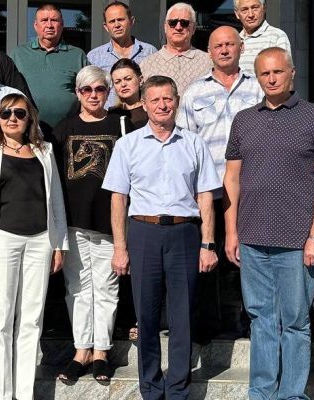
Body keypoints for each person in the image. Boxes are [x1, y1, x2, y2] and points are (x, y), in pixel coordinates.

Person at [223, 47, 314, 400]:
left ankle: (291, 395)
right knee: (260, 320)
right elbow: (232, 179)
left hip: (297, 241)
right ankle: (260, 393)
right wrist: (231, 231)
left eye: (277, 72)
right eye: (264, 73)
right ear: (257, 77)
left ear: (292, 73)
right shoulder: (244, 120)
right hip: (252, 238)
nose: (271, 79)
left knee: (294, 322)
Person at [102, 75, 220, 400]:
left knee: (182, 315)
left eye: (167, 98)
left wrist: (208, 243)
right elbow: (118, 199)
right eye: (155, 100)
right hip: (143, 233)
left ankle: (179, 389)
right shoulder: (128, 145)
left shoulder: (194, 143)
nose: (162, 105)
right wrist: (120, 246)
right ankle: (151, 389)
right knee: (147, 314)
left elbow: (206, 195)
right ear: (144, 104)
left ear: (176, 102)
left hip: (185, 233)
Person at [0, 93, 69, 400]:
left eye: (19, 113)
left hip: (41, 240)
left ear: (29, 119)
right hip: (2, 241)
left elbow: (56, 199)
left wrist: (59, 244)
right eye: (6, 113)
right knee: (0, 319)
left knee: (31, 319)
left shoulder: (44, 150)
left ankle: (24, 393)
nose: (12, 118)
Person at [177, 25, 263, 341]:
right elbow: (184, 143)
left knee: (248, 256)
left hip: (251, 187)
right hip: (208, 189)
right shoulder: (194, 92)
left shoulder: (258, 89)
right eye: (218, 46)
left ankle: (249, 320)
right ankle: (207, 326)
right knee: (207, 253)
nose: (224, 50)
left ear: (241, 48)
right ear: (209, 52)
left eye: (230, 44)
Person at [51, 66, 133, 383]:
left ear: (108, 91)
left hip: (109, 222)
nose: (94, 95)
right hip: (74, 222)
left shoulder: (121, 125)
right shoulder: (64, 129)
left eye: (100, 89)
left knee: (107, 289)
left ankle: (101, 351)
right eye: (87, 90)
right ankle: (81, 350)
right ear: (78, 93)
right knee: (78, 289)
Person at [9, 4, 89, 131]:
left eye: (54, 20)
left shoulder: (77, 55)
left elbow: (88, 91)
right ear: (35, 25)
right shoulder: (18, 54)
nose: (49, 25)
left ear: (62, 25)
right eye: (44, 20)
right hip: (27, 130)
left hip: (69, 130)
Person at [87, 1, 157, 107]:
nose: (117, 25)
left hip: (142, 114)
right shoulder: (94, 57)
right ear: (106, 26)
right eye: (112, 21)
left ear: (131, 21)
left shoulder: (149, 52)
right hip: (108, 115)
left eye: (120, 19)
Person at [139, 3, 212, 98]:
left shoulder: (208, 62)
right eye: (173, 23)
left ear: (193, 28)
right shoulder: (147, 64)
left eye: (184, 23)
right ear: (165, 27)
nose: (178, 27)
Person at [234, 0, 292, 73]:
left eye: (255, 8)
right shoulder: (234, 41)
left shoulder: (277, 36)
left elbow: (283, 73)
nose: (250, 15)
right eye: (244, 10)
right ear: (237, 14)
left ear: (264, 8)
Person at [108, 58, 148, 128]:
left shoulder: (150, 109)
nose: (123, 84)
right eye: (117, 82)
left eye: (128, 79)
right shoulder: (111, 114)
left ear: (140, 80)